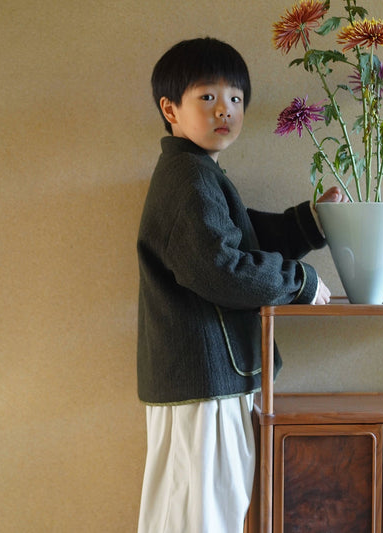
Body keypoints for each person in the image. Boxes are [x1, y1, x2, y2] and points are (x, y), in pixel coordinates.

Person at [136, 37, 343, 533]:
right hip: (203, 381)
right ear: (171, 109)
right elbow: (220, 267)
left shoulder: (196, 172)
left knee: (200, 506)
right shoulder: (187, 176)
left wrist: (310, 222)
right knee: (202, 511)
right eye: (207, 97)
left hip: (204, 378)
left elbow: (239, 234)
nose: (225, 110)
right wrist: (299, 282)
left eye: (235, 99)